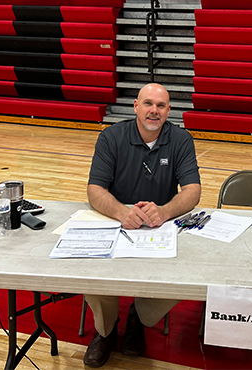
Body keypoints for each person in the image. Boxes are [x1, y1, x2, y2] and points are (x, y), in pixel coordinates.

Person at [83, 83, 201, 368]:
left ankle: (140, 315)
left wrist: (164, 211)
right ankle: (105, 331)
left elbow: (193, 190)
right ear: (135, 106)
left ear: (168, 111)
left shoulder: (181, 140)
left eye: (161, 106)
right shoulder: (110, 137)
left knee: (189, 271)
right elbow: (95, 190)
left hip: (159, 227)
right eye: (148, 104)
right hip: (116, 222)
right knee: (87, 268)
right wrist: (121, 212)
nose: (154, 111)